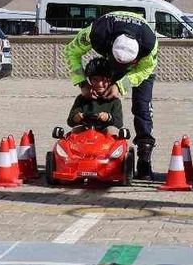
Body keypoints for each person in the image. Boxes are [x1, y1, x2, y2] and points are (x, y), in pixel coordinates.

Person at [63, 11, 158, 178]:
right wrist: (82, 82)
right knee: (99, 96)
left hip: (141, 70)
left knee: (142, 107)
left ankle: (145, 159)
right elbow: (71, 51)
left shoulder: (149, 44)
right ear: (111, 45)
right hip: (109, 57)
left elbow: (146, 69)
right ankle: (95, 149)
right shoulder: (96, 33)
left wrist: (121, 85)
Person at [66, 58, 124, 135]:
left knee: (112, 130)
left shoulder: (114, 101)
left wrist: (108, 117)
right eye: (95, 80)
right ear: (89, 81)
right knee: (76, 130)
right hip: (86, 134)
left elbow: (119, 123)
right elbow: (70, 121)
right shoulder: (82, 99)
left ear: (110, 80)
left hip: (106, 137)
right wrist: (76, 117)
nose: (100, 84)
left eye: (103, 80)